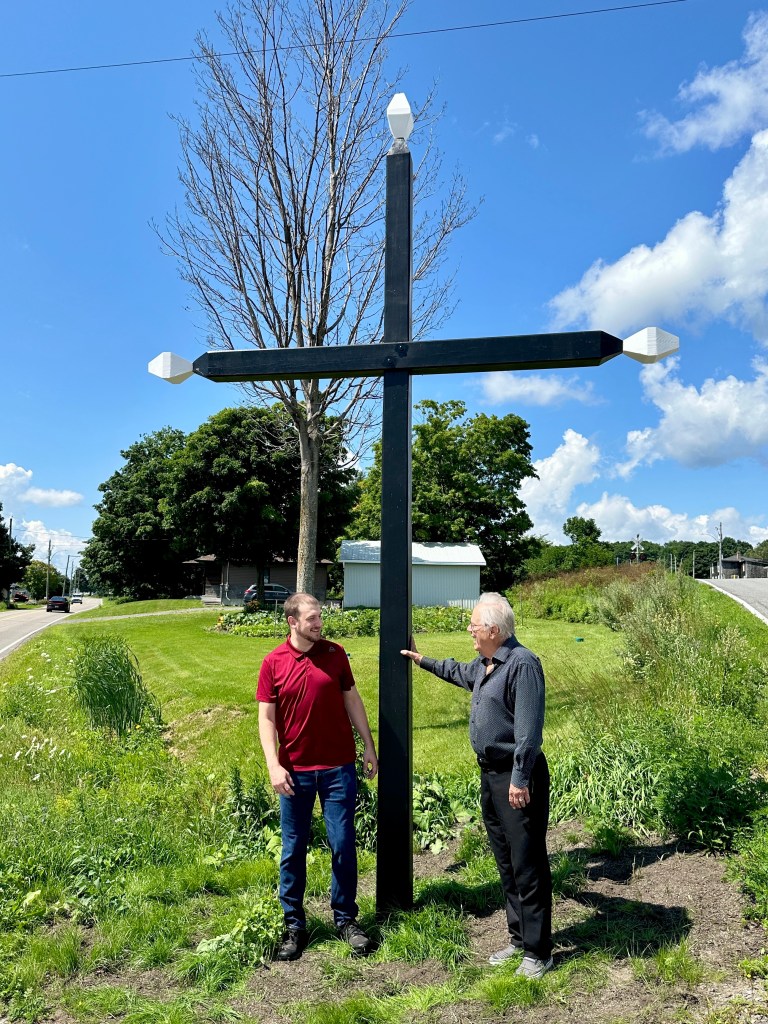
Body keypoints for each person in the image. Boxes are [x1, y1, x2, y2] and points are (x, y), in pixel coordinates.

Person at [401, 592, 553, 978]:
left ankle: (539, 952)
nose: (469, 630)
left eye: (473, 625)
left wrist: (519, 778)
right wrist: (422, 660)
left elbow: (529, 731)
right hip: (491, 776)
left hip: (517, 778)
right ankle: (519, 939)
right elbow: (457, 672)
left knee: (527, 863)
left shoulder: (522, 664)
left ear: (494, 630)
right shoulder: (486, 664)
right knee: (506, 861)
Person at [257, 592, 378, 961]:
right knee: (292, 848)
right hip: (294, 772)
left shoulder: (335, 654)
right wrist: (273, 766)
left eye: (319, 617)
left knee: (343, 843)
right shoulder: (274, 662)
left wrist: (368, 746)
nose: (319, 623)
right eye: (311, 619)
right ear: (292, 622)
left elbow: (352, 700)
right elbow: (266, 718)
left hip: (338, 768)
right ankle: (294, 925)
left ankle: (345, 920)